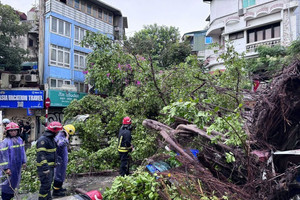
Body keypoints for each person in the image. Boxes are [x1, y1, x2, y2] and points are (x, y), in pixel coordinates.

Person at [36, 121, 62, 200]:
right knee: (45, 186)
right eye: (58, 131)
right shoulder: (43, 140)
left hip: (50, 167)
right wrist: (45, 168)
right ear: (54, 131)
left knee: (48, 185)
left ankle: (48, 198)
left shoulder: (51, 139)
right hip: (44, 168)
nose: (58, 133)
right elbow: (41, 155)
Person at [1, 122, 27, 200]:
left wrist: (24, 161)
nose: (13, 132)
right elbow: (3, 156)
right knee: (7, 184)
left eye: (15, 130)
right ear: (8, 132)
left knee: (15, 183)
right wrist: (6, 168)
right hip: (9, 167)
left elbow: (23, 152)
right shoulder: (5, 142)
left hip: (17, 166)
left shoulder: (20, 140)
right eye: (11, 131)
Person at [53, 124, 75, 197]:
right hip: (59, 160)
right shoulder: (60, 137)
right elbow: (60, 144)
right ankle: (56, 191)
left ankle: (60, 188)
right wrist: (66, 138)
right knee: (58, 175)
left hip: (62, 159)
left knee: (62, 174)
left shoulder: (62, 136)